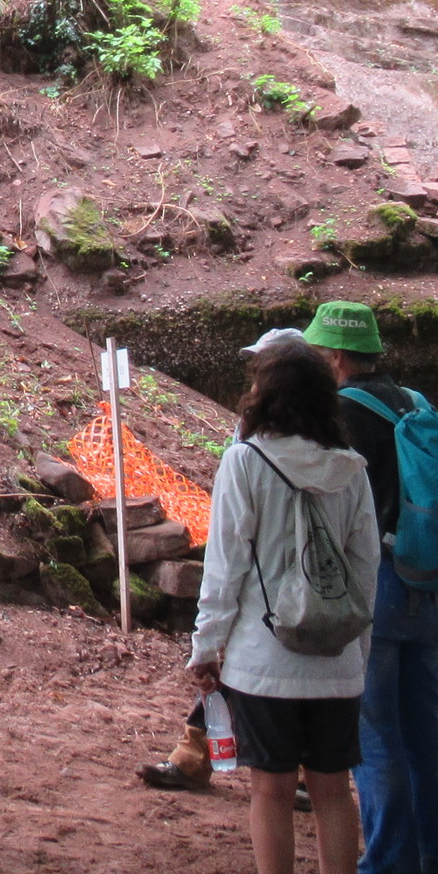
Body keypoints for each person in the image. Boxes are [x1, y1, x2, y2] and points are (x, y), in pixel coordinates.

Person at [188, 338, 383, 874]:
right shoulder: (351, 470)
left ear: (264, 395)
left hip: (261, 660)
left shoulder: (244, 463)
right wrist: (357, 652)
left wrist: (206, 647)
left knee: (270, 792)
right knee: (333, 793)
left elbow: (224, 568)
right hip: (336, 663)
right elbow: (365, 571)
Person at [298, 300, 438, 874]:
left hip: (378, 586)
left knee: (374, 737)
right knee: (423, 730)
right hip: (428, 586)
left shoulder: (341, 415)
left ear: (336, 356)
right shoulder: (414, 404)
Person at [141, 325, 303, 795]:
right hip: (273, 583)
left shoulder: (286, 439)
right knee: (242, 673)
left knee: (255, 676)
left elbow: (235, 538)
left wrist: (208, 636)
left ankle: (275, 772)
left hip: (276, 583)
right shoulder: (300, 433)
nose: (255, 373)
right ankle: (199, 759)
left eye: (264, 364)